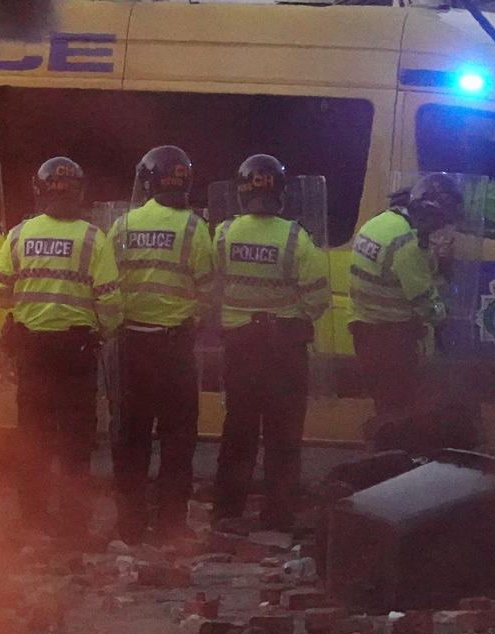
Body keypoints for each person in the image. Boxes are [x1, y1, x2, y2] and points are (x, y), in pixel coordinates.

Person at [0, 156, 122, 540]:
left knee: (33, 435)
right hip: (77, 351)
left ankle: (31, 518)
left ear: (40, 191)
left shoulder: (18, 235)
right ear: (79, 193)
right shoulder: (93, 238)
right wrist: (106, 330)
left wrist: (26, 304)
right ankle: (74, 523)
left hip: (32, 352)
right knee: (76, 440)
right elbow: (109, 301)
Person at [211, 154, 330, 530]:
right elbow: (317, 299)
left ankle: (227, 511)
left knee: (239, 430)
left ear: (242, 192)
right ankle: (278, 513)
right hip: (284, 348)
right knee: (283, 434)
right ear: (280, 192)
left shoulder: (224, 234)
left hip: (240, 345)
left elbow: (212, 285)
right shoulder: (296, 237)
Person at [107, 146, 213, 545]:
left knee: (131, 437)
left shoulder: (125, 224)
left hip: (132, 344)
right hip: (175, 348)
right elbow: (207, 287)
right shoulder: (194, 228)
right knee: (178, 437)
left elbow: (108, 281)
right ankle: (170, 524)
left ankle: (130, 525)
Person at [348, 173, 462, 417]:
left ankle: (385, 449)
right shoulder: (409, 245)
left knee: (385, 406)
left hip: (364, 330)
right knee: (399, 413)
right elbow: (425, 305)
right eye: (440, 221)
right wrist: (447, 314)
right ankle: (393, 453)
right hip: (392, 341)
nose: (440, 229)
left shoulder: (381, 222)